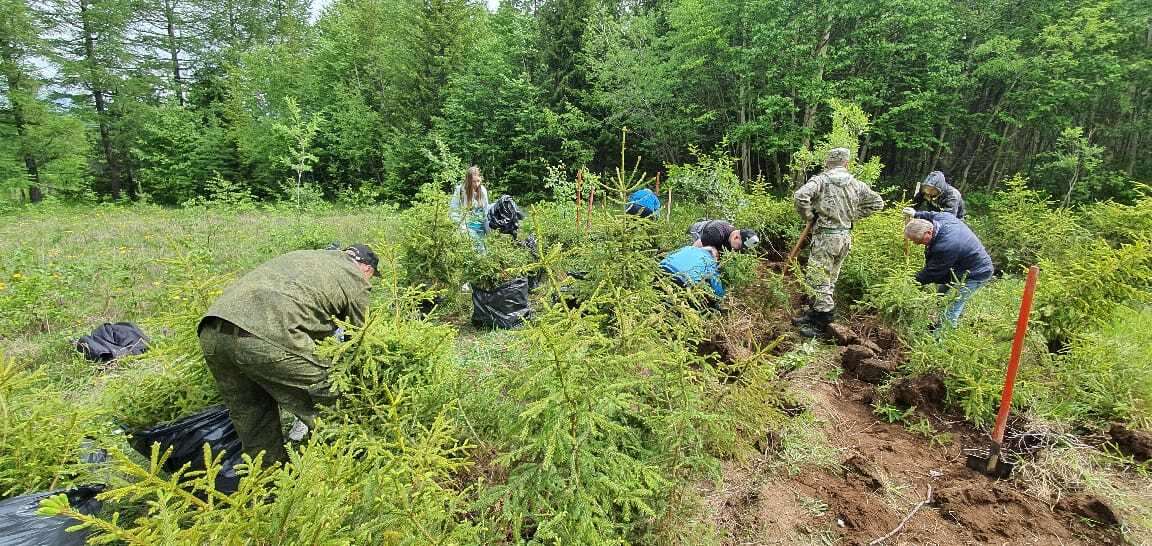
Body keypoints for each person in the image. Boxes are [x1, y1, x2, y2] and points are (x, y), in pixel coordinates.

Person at [197, 244, 378, 464]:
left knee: (252, 416)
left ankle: (266, 486)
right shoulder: (355, 278)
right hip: (265, 335)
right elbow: (361, 339)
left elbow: (299, 308)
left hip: (212, 331)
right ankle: (347, 467)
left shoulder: (307, 258)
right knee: (330, 394)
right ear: (367, 269)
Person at [792, 147, 885, 336]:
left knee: (817, 278)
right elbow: (878, 203)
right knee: (830, 278)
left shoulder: (821, 180)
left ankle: (823, 320)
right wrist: (851, 216)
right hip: (844, 238)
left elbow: (800, 196)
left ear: (827, 163)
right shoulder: (857, 184)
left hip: (826, 237)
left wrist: (809, 216)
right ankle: (816, 313)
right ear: (846, 163)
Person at [903, 208, 993, 330]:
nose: (916, 244)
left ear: (929, 233)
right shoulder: (943, 218)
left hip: (976, 273)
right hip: (959, 267)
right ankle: (940, 323)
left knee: (953, 305)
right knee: (941, 295)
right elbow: (931, 214)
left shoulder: (946, 246)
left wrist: (908, 283)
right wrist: (916, 214)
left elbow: (932, 273)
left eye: (918, 241)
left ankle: (940, 339)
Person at [659, 245, 725, 298]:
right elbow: (717, 288)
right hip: (682, 281)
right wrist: (722, 295)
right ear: (715, 256)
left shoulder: (688, 247)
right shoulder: (711, 262)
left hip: (661, 270)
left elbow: (669, 255)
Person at [450, 166, 490, 242]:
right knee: (480, 250)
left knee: (482, 250)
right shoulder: (460, 190)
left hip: (481, 228)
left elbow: (486, 211)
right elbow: (453, 210)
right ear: (468, 181)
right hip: (466, 228)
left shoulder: (483, 190)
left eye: (478, 181)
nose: (476, 184)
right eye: (473, 181)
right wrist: (461, 227)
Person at [688, 219, 759, 253]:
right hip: (696, 232)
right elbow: (693, 250)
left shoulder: (732, 239)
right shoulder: (716, 234)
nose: (739, 250)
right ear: (736, 237)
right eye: (740, 247)